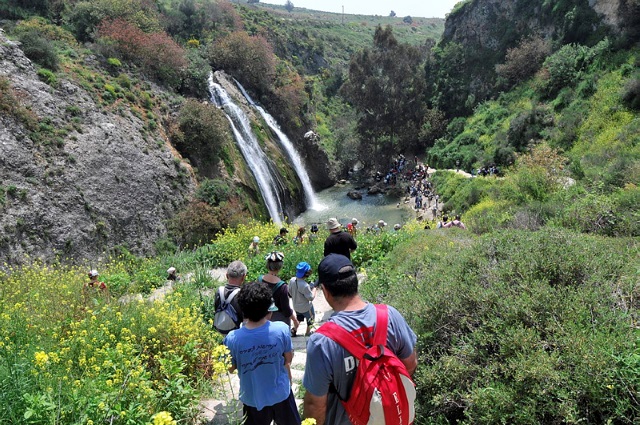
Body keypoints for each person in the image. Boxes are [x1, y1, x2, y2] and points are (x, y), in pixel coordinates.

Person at [302, 254, 418, 424]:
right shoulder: (390, 316)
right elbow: (410, 363)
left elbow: (316, 405)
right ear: (355, 283)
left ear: (325, 291)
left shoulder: (322, 341)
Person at [224, 281, 301, 425]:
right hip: (281, 394)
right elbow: (287, 359)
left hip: (253, 398)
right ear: (268, 308)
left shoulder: (232, 338)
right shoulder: (282, 329)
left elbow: (230, 368)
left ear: (242, 309)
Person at [259, 251, 299, 329]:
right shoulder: (282, 286)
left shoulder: (260, 280)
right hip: (278, 320)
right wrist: (295, 320)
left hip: (262, 317)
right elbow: (286, 309)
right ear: (280, 266)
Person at [214, 260, 247, 334]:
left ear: (226, 275)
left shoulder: (219, 291)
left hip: (219, 328)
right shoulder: (242, 294)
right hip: (235, 332)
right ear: (243, 277)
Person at [289, 262, 316, 337]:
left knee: (299, 318)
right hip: (306, 308)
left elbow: (290, 293)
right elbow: (311, 297)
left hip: (296, 307)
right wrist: (314, 289)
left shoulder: (292, 280)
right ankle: (308, 332)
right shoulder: (305, 285)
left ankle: (294, 330)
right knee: (311, 319)